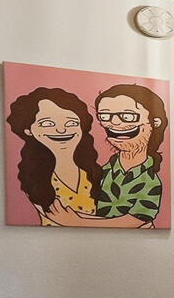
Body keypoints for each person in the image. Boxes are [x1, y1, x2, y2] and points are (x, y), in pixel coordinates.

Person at [46, 82, 167, 228]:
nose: (114, 123)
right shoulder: (104, 171)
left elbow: (135, 220)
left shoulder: (150, 179)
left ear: (154, 122)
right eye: (105, 116)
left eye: (127, 116)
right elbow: (100, 215)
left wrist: (75, 222)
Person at [5, 86, 101, 225]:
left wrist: (76, 221)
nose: (61, 130)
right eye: (48, 123)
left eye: (71, 123)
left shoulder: (95, 173)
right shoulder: (34, 178)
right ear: (28, 130)